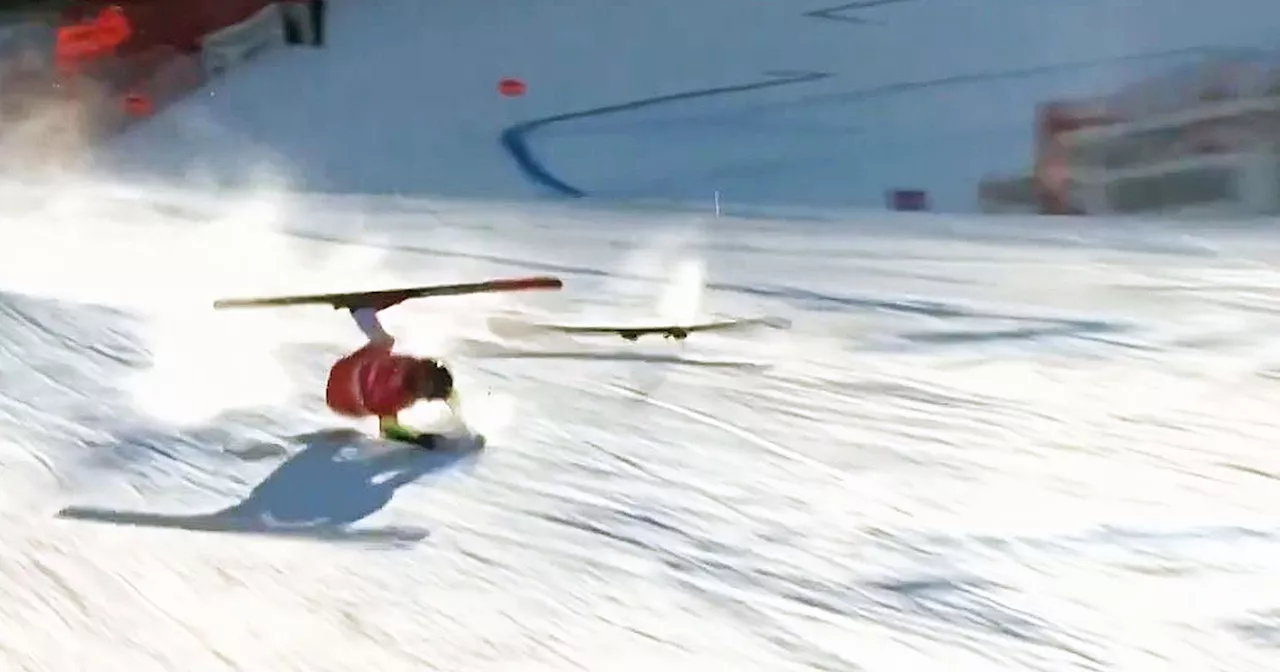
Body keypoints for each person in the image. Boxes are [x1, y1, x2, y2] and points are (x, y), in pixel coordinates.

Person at [325, 306, 462, 448]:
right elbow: (389, 430)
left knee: (385, 341)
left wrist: (420, 439)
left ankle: (360, 310)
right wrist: (419, 439)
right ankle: (360, 310)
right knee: (385, 343)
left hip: (344, 388)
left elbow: (389, 430)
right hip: (342, 396)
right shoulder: (404, 390)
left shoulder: (399, 392)